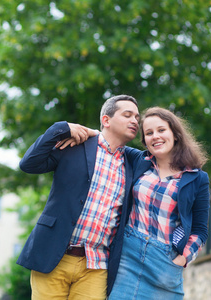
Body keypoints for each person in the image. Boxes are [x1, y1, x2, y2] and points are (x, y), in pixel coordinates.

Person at [17, 95, 140, 299]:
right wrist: (61, 128)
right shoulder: (75, 144)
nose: (135, 120)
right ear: (106, 120)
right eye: (127, 115)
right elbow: (29, 164)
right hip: (54, 256)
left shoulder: (134, 162)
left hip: (96, 265)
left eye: (137, 117)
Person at [107, 106, 210, 299]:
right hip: (127, 257)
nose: (155, 136)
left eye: (161, 130)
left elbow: (200, 230)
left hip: (165, 264)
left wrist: (182, 259)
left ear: (175, 134)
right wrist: (81, 131)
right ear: (144, 140)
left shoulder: (197, 178)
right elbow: (107, 141)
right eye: (149, 133)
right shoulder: (139, 160)